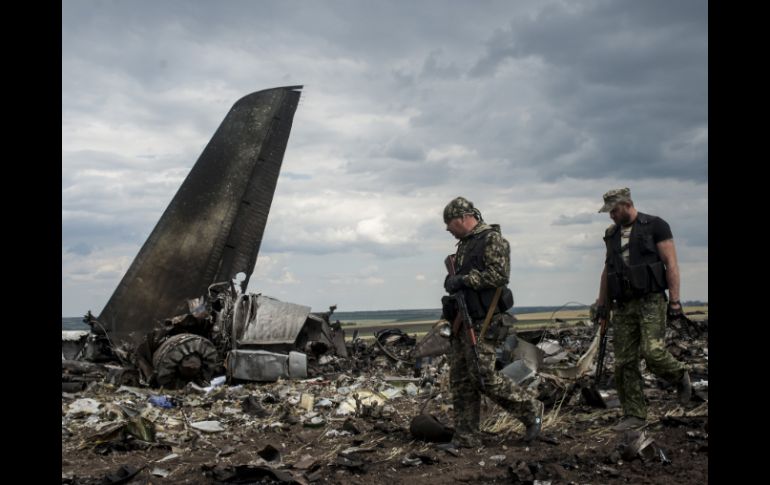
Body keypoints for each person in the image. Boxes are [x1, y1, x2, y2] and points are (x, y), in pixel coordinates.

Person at [441, 196, 544, 448]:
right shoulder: (465, 244)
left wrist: (464, 280)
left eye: (450, 223)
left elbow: (499, 275)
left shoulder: (492, 239)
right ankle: (466, 437)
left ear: (465, 218)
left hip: (484, 321)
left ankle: (531, 410)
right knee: (461, 380)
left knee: (484, 376)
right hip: (463, 321)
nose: (447, 229)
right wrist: (452, 282)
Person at [594, 188, 692, 432]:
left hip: (650, 300)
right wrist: (602, 303)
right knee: (624, 362)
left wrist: (675, 302)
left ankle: (680, 375)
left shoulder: (656, 225)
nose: (611, 216)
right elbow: (608, 269)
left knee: (653, 352)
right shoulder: (611, 234)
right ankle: (634, 414)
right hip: (623, 305)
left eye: (614, 210)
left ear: (628, 204)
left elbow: (671, 264)